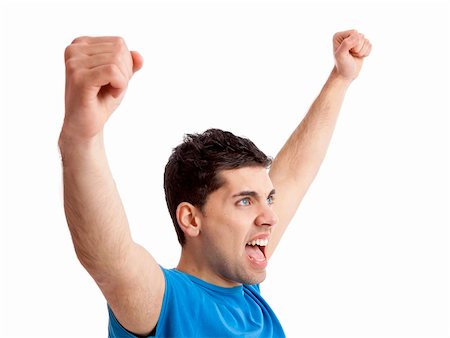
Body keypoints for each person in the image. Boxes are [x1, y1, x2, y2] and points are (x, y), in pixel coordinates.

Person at [59, 29, 371, 337]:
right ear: (191, 219)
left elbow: (295, 172)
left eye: (269, 199)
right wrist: (82, 139)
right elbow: (111, 258)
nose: (270, 217)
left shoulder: (247, 293)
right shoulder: (168, 303)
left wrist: (340, 78)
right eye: (245, 201)